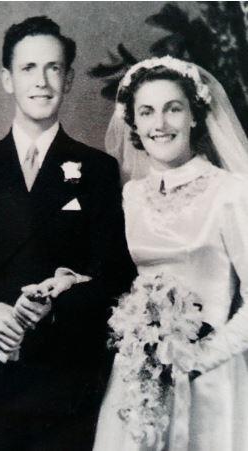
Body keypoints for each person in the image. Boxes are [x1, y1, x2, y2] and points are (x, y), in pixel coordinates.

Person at [0, 16, 136, 451]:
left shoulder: (97, 170)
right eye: (28, 68)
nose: (41, 81)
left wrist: (59, 306)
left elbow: (116, 274)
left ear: (70, 77)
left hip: (66, 383)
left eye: (53, 68)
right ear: (6, 79)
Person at [93, 56, 248, 451]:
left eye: (172, 109)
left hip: (209, 378)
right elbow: (114, 277)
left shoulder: (230, 192)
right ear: (135, 125)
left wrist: (201, 359)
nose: (159, 125)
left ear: (194, 116)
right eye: (146, 112)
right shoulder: (130, 197)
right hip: (138, 379)